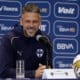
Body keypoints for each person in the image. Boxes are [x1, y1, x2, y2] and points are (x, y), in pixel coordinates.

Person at [0, 3, 52, 78]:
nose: (31, 25)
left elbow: (49, 68)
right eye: (28, 21)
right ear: (21, 21)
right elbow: (3, 71)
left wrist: (46, 70)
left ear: (40, 22)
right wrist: (33, 74)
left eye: (35, 22)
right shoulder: (9, 39)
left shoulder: (45, 40)